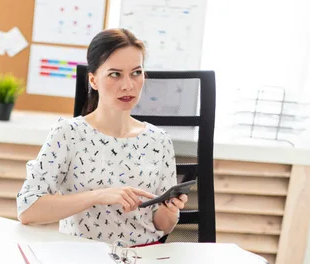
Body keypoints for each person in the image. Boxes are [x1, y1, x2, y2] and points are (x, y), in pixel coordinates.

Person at [16, 28, 188, 246]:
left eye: (136, 72)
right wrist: (99, 195)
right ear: (94, 80)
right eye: (115, 74)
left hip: (144, 261)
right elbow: (28, 209)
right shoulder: (68, 133)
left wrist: (170, 212)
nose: (128, 85)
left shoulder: (159, 140)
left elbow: (162, 225)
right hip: (84, 259)